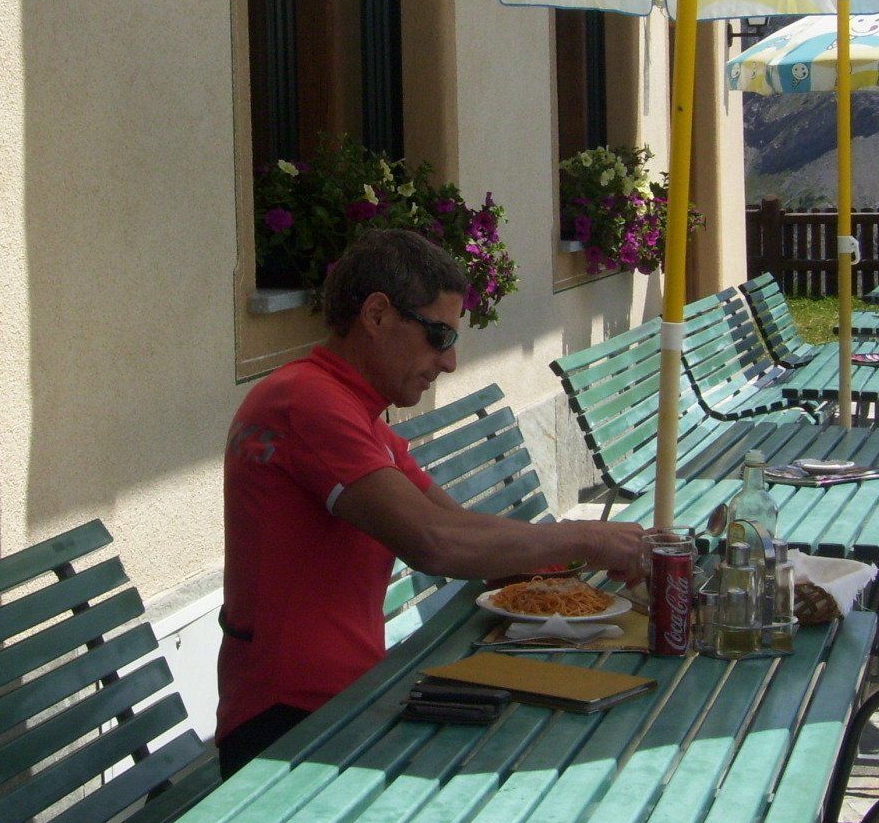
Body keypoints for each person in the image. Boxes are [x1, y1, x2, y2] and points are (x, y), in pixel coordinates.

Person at [218, 228, 648, 776]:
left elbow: (456, 523)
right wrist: (586, 537)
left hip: (342, 699)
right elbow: (435, 543)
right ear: (376, 315)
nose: (448, 362)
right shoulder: (307, 402)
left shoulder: (350, 409)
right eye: (439, 336)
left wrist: (591, 553)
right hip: (291, 726)